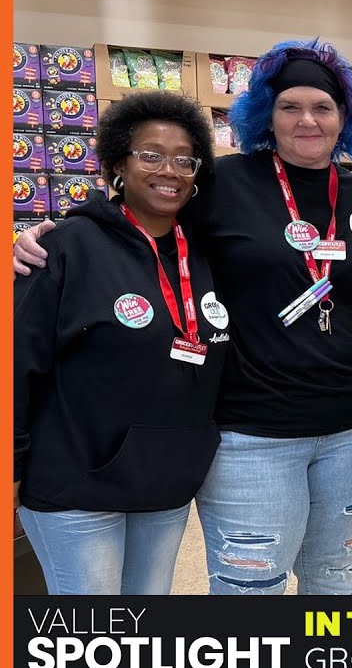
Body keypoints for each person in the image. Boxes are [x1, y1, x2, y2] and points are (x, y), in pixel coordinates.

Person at [15, 39, 352, 595]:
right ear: (266, 114)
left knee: (336, 576)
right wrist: (35, 238)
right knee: (250, 589)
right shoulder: (222, 184)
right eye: (290, 105)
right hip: (254, 431)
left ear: (347, 117)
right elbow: (136, 219)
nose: (307, 120)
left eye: (323, 107)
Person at [13, 92, 225, 594]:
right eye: (150, 155)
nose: (168, 170)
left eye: (184, 159)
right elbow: (18, 362)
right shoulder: (65, 246)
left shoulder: (204, 253)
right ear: (117, 165)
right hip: (76, 484)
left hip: (166, 484)